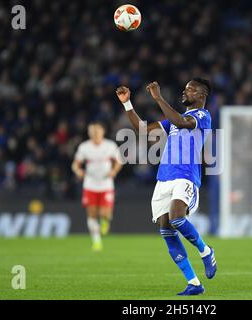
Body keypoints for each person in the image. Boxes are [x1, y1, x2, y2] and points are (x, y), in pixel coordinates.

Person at [115, 78, 217, 296]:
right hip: (164, 179)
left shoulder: (202, 116)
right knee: (166, 229)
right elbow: (143, 130)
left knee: (177, 218)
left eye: (190, 89)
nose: (185, 91)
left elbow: (181, 122)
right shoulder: (174, 121)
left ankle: (206, 251)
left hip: (185, 177)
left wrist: (158, 98)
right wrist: (127, 104)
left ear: (201, 95)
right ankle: (194, 283)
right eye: (185, 88)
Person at [72, 121, 122, 251]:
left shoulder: (109, 145)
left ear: (102, 132)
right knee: (92, 214)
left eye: (97, 131)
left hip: (106, 184)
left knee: (105, 213)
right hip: (90, 184)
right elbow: (75, 164)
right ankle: (96, 241)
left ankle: (105, 221)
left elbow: (119, 162)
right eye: (92, 131)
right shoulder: (84, 147)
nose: (95, 133)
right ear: (89, 133)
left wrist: (114, 171)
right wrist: (78, 171)